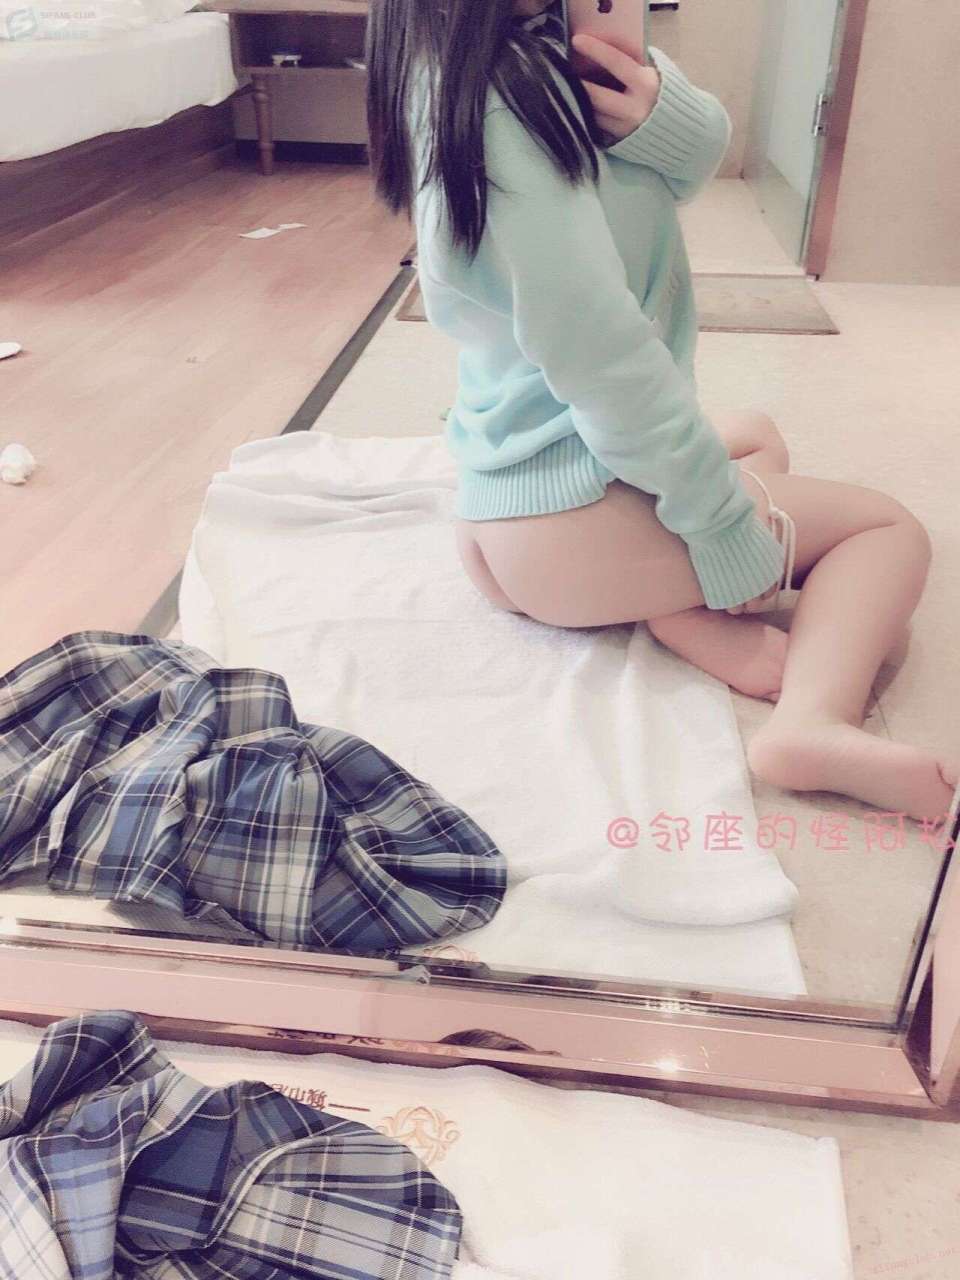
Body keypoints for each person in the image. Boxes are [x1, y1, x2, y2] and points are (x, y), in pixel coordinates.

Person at [365, 0, 957, 822]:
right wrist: (723, 532)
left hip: (509, 495)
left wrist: (652, 109)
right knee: (885, 531)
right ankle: (812, 725)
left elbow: (693, 160)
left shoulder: (476, 64)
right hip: (566, 524)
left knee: (755, 434)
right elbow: (604, 361)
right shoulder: (514, 107)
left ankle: (672, 610)